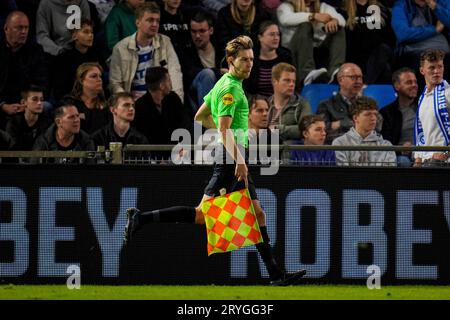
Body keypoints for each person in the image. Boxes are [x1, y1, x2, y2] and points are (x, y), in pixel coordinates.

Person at [124, 35, 307, 286]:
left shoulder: (226, 82)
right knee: (202, 216)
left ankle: (276, 275)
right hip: (231, 160)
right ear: (231, 60)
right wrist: (240, 161)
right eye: (244, 60)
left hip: (233, 157)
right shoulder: (230, 89)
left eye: (252, 59)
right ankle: (141, 218)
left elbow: (201, 115)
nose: (249, 64)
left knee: (257, 213)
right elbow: (223, 130)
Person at [109, 1, 184, 102]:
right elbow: (115, 84)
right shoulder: (120, 48)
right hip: (134, 104)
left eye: (157, 21)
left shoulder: (165, 42)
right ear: (138, 22)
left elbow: (175, 74)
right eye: (150, 20)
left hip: (160, 101)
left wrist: (177, 101)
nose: (155, 24)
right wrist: (127, 103)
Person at [277, 0, 346, 85]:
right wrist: (313, 16)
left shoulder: (323, 7)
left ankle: (336, 71)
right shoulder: (287, 6)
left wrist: (335, 21)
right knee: (305, 25)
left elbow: (342, 20)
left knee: (339, 29)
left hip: (318, 48)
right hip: (295, 50)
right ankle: (307, 73)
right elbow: (285, 19)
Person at [0, 11, 49, 130]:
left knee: (46, 107)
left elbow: (41, 82)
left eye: (26, 28)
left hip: (27, 101)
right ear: (6, 29)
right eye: (19, 28)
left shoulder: (35, 51)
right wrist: (2, 105)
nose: (24, 32)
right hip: (2, 101)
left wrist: (27, 102)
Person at [133, 66, 191, 160]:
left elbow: (185, 124)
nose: (171, 84)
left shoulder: (173, 99)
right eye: (168, 80)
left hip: (177, 153)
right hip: (151, 158)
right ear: (161, 85)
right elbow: (142, 137)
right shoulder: (140, 106)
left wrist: (182, 147)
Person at [391, 0, 450, 90]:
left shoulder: (440, 2)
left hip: (444, 54)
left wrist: (435, 7)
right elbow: (402, 34)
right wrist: (434, 30)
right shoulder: (401, 6)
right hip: (415, 54)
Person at [341, 0, 395, 84]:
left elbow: (390, 38)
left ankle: (365, 85)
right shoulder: (344, 11)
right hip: (356, 58)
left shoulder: (382, 10)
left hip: (379, 56)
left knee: (383, 55)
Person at [332, 96, 396, 166]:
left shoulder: (386, 146)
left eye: (375, 114)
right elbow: (342, 174)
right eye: (368, 114)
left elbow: (388, 175)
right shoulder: (340, 143)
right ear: (355, 118)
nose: (373, 118)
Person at [52, 19, 105, 102]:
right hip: (71, 99)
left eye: (91, 32)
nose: (90, 35)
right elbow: (60, 87)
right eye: (86, 32)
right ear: (74, 35)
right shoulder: (64, 58)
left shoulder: (96, 54)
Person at [414, 49, 450, 166]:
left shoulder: (448, 93)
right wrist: (418, 157)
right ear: (422, 70)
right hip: (427, 161)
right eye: (432, 68)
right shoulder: (422, 98)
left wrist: (446, 151)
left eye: (440, 67)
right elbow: (422, 131)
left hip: (445, 161)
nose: (436, 71)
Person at [181, 10, 222, 114]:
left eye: (202, 31)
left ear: (211, 30)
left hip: (221, 92)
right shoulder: (186, 51)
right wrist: (218, 71)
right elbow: (190, 73)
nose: (197, 36)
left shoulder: (222, 50)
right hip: (195, 92)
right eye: (194, 32)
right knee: (207, 75)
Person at [316, 62, 365, 144]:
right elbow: (322, 130)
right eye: (353, 77)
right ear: (340, 80)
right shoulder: (326, 105)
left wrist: (338, 124)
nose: (358, 81)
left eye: (360, 78)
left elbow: (377, 126)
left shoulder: (367, 104)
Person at [380, 67, 418, 167]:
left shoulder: (424, 106)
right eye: (409, 82)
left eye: (415, 82)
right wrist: (400, 150)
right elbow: (384, 142)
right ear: (397, 86)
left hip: (425, 152)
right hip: (402, 155)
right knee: (403, 161)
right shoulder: (386, 113)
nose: (414, 85)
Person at [244, 20, 293, 97]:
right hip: (256, 104)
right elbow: (246, 89)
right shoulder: (250, 59)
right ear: (260, 37)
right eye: (272, 34)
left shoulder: (286, 57)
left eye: (278, 35)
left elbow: (291, 85)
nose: (276, 38)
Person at [91, 92, 148, 156]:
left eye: (133, 105)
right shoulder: (99, 138)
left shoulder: (140, 139)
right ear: (113, 110)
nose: (131, 109)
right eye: (126, 105)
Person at [268, 62, 312, 143]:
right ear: (275, 82)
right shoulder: (266, 104)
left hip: (289, 151)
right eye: (287, 80)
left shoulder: (302, 104)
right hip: (264, 148)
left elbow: (307, 129)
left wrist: (277, 129)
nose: (291, 84)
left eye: (293, 81)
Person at [67, 62, 110, 134]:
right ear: (81, 81)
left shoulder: (107, 104)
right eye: (94, 76)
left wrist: (85, 116)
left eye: (100, 76)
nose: (99, 79)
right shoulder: (70, 102)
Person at [6, 85, 52, 151]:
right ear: (24, 102)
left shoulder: (47, 123)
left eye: (41, 100)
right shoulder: (13, 123)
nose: (39, 103)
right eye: (35, 99)